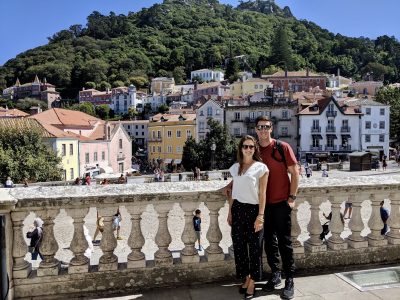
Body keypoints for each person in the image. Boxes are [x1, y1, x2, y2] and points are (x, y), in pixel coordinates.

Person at [255, 116, 299, 300]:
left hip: (281, 203)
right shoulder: (254, 150)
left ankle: (290, 279)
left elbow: (295, 172)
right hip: (263, 206)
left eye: (266, 127)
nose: (263, 130)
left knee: (285, 243)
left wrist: (292, 198)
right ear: (256, 130)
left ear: (271, 129)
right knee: (269, 244)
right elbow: (244, 171)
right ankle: (276, 274)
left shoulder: (282, 147)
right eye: (260, 127)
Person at [227, 135, 268, 299]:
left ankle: (252, 281)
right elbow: (233, 191)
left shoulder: (261, 168)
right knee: (239, 246)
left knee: (255, 248)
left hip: (253, 210)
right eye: (245, 146)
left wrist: (261, 216)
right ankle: (245, 277)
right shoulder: (236, 167)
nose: (249, 149)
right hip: (237, 209)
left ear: (255, 149)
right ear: (241, 148)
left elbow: (262, 193)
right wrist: (230, 212)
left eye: (251, 146)